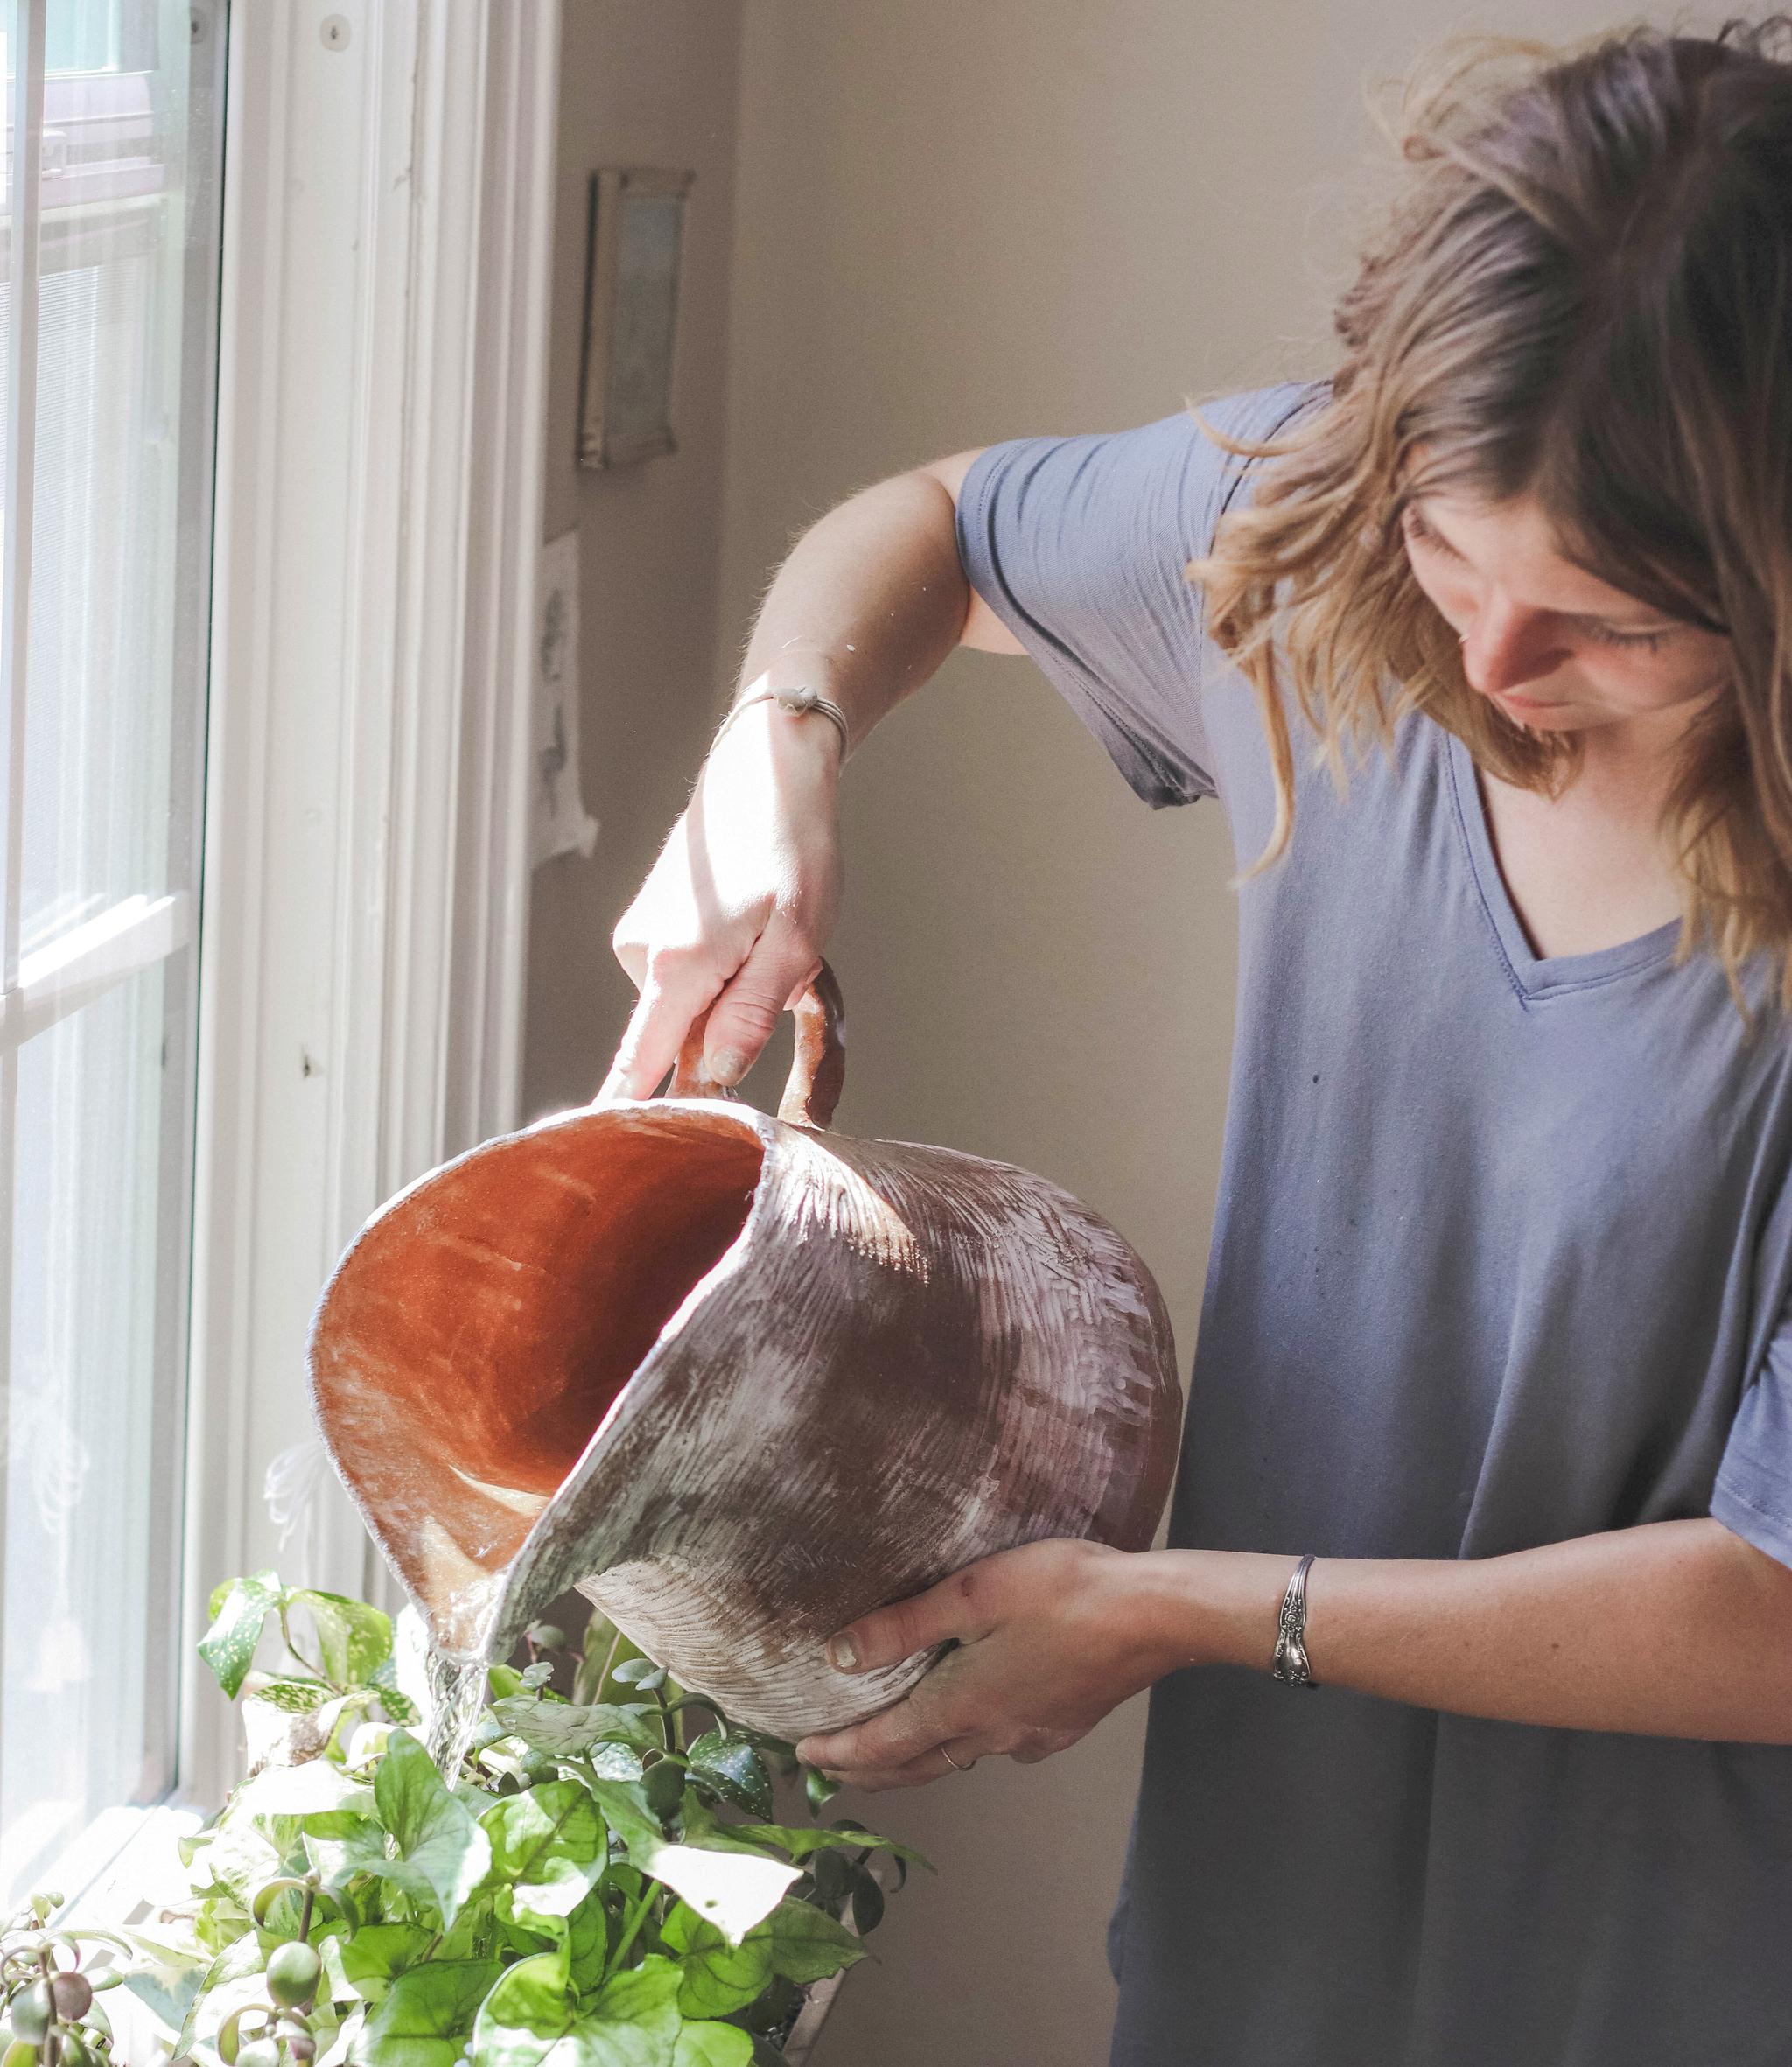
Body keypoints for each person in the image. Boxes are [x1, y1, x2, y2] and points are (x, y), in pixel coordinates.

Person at [598, 23, 1792, 2066]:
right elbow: (941, 529)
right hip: (1260, 1948)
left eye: (1604, 622)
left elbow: (1774, 1607)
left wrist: (1170, 1609)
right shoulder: (1317, 551)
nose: (1489, 671)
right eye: (1450, 550)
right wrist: (775, 741)